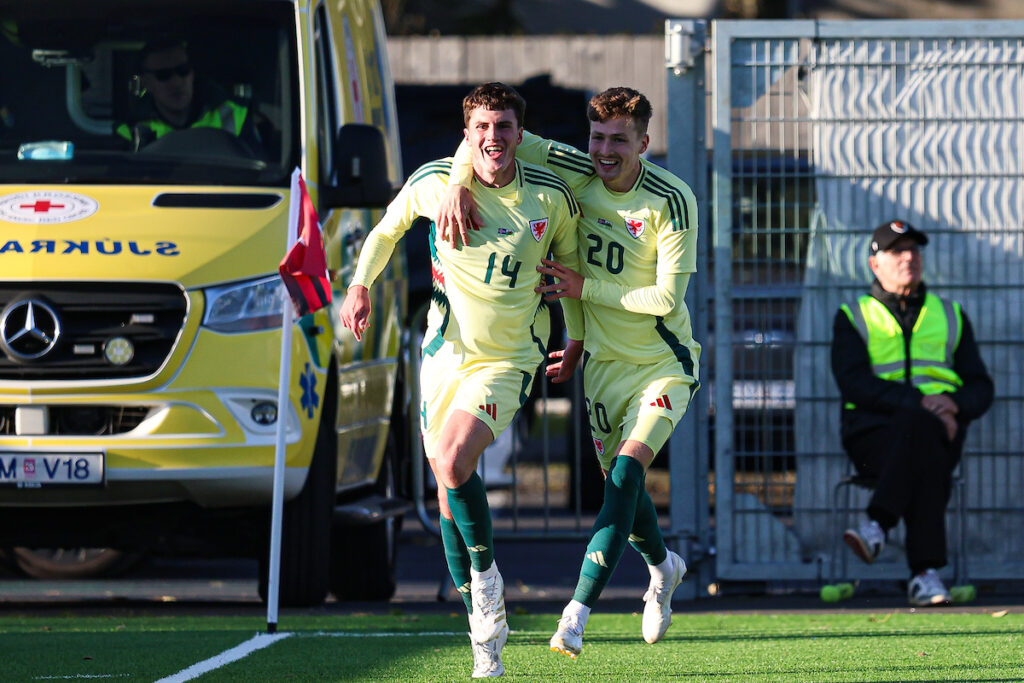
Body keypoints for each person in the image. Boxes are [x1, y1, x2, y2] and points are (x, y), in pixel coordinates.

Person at [439, 86, 700, 659]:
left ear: (644, 144)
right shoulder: (574, 170)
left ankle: (575, 615)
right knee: (621, 490)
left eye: (619, 142)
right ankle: (662, 567)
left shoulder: (673, 200)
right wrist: (458, 182)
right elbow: (489, 138)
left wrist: (585, 292)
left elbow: (663, 297)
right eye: (598, 138)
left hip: (662, 363)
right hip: (604, 367)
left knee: (628, 474)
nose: (605, 152)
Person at [340, 82, 583, 678]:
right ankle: (484, 628)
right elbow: (385, 230)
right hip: (444, 355)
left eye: (503, 127)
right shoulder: (435, 183)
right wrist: (360, 284)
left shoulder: (550, 198)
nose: (493, 138)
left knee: (451, 462)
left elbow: (569, 270)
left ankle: (486, 582)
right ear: (467, 135)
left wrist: (573, 338)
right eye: (481, 128)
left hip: (508, 360)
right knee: (450, 500)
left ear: (519, 134)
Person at [831, 220, 993, 606]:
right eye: (897, 250)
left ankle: (877, 526)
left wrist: (954, 404)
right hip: (871, 438)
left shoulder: (950, 314)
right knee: (926, 446)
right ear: (875, 264)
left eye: (915, 250)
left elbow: (981, 386)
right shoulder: (853, 315)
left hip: (940, 429)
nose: (909, 257)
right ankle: (925, 574)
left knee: (924, 437)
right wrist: (924, 403)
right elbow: (854, 384)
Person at [116, 38, 259, 153]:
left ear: (192, 74)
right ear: (147, 83)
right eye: (163, 75)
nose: (176, 82)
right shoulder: (131, 131)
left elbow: (261, 171)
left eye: (183, 70)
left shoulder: (236, 115)